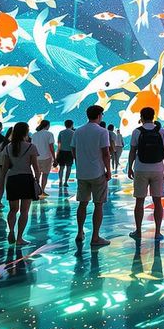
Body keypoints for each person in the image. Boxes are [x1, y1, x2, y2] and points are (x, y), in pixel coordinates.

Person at [128, 107, 164, 240]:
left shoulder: (137, 131)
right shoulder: (162, 131)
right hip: (158, 169)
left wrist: (130, 167)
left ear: (141, 116)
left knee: (139, 201)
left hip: (141, 168)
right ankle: (157, 232)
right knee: (157, 201)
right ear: (154, 116)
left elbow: (132, 151)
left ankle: (138, 231)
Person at [73, 105, 112, 246]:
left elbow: (73, 149)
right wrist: (108, 170)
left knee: (82, 204)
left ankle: (79, 232)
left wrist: (79, 163)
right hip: (98, 172)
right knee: (98, 205)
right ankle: (95, 237)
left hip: (82, 173)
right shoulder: (102, 131)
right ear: (99, 115)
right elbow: (106, 153)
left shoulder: (78, 131)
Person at [0, 122, 39, 245]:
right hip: (26, 179)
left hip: (12, 179)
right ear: (26, 132)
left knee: (13, 209)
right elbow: (35, 167)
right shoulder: (30, 147)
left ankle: (11, 230)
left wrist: (1, 183)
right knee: (24, 211)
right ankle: (20, 237)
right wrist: (37, 180)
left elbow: (5, 167)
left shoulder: (8, 147)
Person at [30, 120, 56, 197]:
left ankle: (35, 190)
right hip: (47, 157)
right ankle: (42, 191)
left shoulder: (34, 135)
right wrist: (54, 158)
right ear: (47, 125)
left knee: (37, 175)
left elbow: (32, 147)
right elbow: (51, 147)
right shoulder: (49, 134)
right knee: (45, 175)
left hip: (36, 157)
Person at [56, 119, 75, 192]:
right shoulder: (73, 133)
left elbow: (59, 144)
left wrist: (57, 153)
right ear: (72, 125)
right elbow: (74, 145)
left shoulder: (61, 132)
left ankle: (60, 180)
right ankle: (66, 182)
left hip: (62, 152)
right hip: (70, 152)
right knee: (69, 167)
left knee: (61, 167)